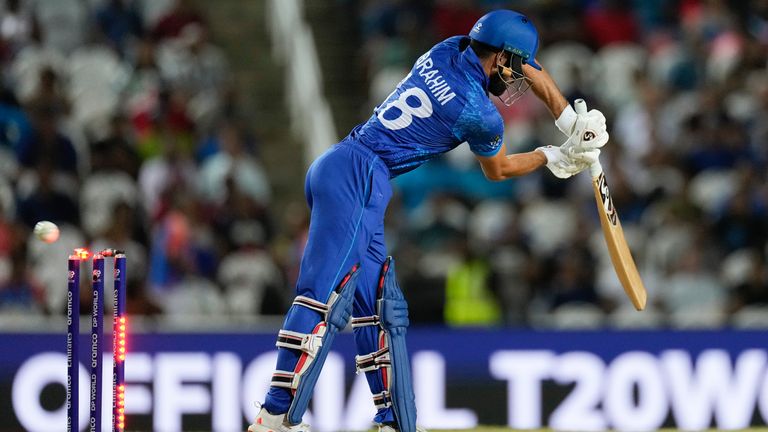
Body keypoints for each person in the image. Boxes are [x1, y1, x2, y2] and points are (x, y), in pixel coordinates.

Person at [249, 9, 608, 432]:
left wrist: (571, 121)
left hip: (346, 165)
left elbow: (529, 66)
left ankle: (393, 423)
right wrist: (556, 155)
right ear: (501, 59)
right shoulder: (479, 112)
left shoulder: (448, 48)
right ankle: (275, 416)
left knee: (382, 309)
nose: (517, 81)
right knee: (325, 296)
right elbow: (499, 170)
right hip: (362, 177)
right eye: (514, 69)